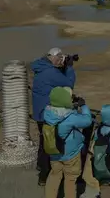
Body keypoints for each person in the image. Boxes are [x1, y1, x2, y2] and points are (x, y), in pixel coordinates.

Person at [43, 87, 92, 198]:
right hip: (70, 153)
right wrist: (83, 105)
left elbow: (62, 112)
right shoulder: (70, 118)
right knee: (70, 179)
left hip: (54, 152)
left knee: (54, 175)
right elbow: (87, 120)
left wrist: (72, 107)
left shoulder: (48, 113)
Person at [31, 48, 76, 185]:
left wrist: (60, 66)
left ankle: (40, 165)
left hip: (39, 112)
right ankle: (44, 176)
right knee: (49, 143)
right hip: (48, 114)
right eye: (60, 58)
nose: (61, 60)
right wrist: (69, 68)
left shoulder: (41, 67)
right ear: (54, 58)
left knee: (43, 139)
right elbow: (69, 84)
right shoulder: (51, 72)